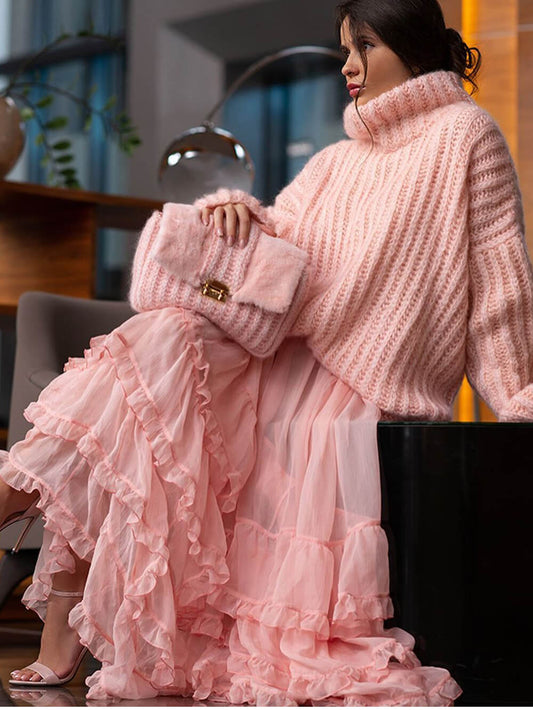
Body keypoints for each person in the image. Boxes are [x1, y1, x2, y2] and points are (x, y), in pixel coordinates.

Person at [1, 0, 532, 704]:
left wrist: (518, 398)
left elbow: (499, 284)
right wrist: (236, 209)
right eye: (345, 49)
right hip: (276, 348)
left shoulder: (466, 134)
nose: (348, 66)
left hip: (355, 374)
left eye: (366, 46)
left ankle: (23, 513)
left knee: (153, 369)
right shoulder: (338, 158)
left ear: (412, 45)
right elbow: (282, 238)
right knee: (162, 336)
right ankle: (24, 508)